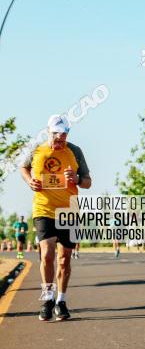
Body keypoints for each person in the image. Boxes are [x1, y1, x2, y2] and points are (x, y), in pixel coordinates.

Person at [19, 115, 92, 321]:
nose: (60, 139)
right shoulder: (37, 149)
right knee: (48, 254)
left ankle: (61, 300)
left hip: (69, 210)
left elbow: (87, 182)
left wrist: (76, 179)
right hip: (44, 209)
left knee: (64, 259)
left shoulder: (75, 151)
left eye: (64, 134)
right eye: (56, 135)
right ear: (48, 132)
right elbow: (23, 168)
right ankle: (47, 299)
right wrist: (29, 181)